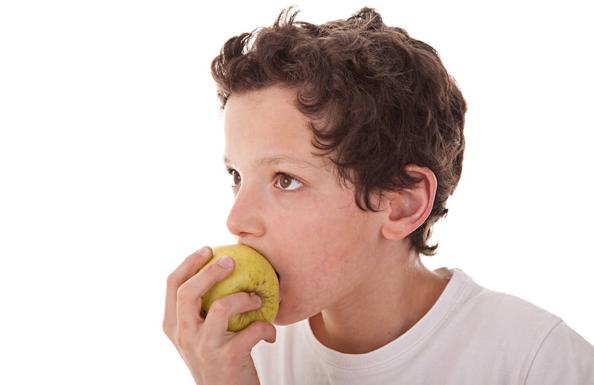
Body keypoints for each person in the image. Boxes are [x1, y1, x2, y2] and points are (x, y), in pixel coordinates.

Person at [162, 6, 594, 385]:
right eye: (236, 175)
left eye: (285, 179)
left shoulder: (535, 361)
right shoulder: (242, 354)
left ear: (402, 203)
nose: (237, 219)